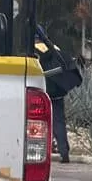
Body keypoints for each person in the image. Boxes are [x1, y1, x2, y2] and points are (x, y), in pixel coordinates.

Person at [33, 25, 80, 164]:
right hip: (58, 91)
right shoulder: (55, 48)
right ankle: (64, 151)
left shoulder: (31, 51)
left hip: (42, 91)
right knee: (59, 121)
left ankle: (42, 151)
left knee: (38, 122)